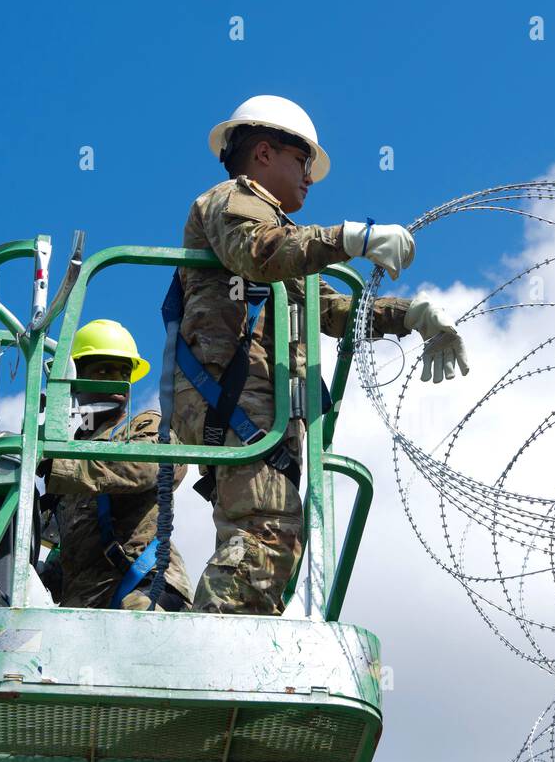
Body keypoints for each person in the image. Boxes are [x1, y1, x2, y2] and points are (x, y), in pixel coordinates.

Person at [171, 94, 469, 616]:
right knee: (265, 533)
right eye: (302, 159)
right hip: (232, 393)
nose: (310, 177)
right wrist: (351, 238)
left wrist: (412, 316)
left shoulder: (285, 236)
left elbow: (330, 310)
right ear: (264, 152)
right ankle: (217, 643)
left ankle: (232, 640)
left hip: (251, 398)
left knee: (274, 535)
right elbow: (257, 253)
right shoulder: (231, 199)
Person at [39, 318, 194, 611]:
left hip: (142, 585)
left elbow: (148, 468)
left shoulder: (144, 426)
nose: (118, 381)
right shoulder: (69, 455)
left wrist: (61, 467)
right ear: (74, 378)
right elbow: (77, 545)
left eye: (124, 372)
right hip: (87, 606)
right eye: (104, 370)